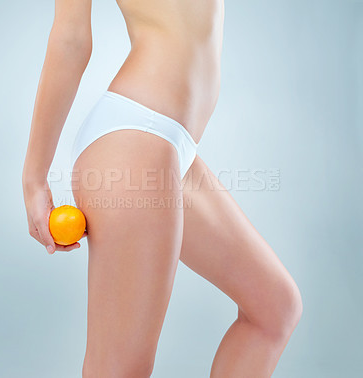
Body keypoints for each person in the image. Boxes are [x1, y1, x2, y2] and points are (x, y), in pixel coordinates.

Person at [22, 0, 303, 377]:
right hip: (137, 136)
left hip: (173, 145)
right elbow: (71, 38)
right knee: (120, 369)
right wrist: (34, 178)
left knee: (274, 308)